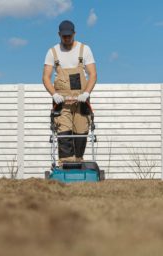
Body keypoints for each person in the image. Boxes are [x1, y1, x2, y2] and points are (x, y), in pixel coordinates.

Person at [42, 20, 97, 164]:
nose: (67, 39)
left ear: (74, 34)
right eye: (64, 36)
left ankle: (78, 162)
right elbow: (46, 77)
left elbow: (93, 74)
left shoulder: (84, 50)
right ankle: (65, 165)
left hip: (81, 100)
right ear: (59, 35)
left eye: (69, 36)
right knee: (63, 133)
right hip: (62, 102)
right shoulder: (52, 52)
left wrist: (86, 93)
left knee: (81, 132)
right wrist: (54, 94)